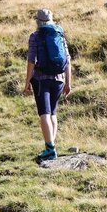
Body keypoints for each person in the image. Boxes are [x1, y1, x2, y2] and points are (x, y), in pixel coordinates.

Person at [23, 9, 72, 161]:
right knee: (53, 114)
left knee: (44, 113)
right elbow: (67, 60)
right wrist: (68, 83)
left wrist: (27, 82)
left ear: (37, 21)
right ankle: (50, 146)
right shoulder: (59, 34)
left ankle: (50, 149)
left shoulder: (35, 36)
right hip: (59, 79)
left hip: (41, 79)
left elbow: (31, 60)